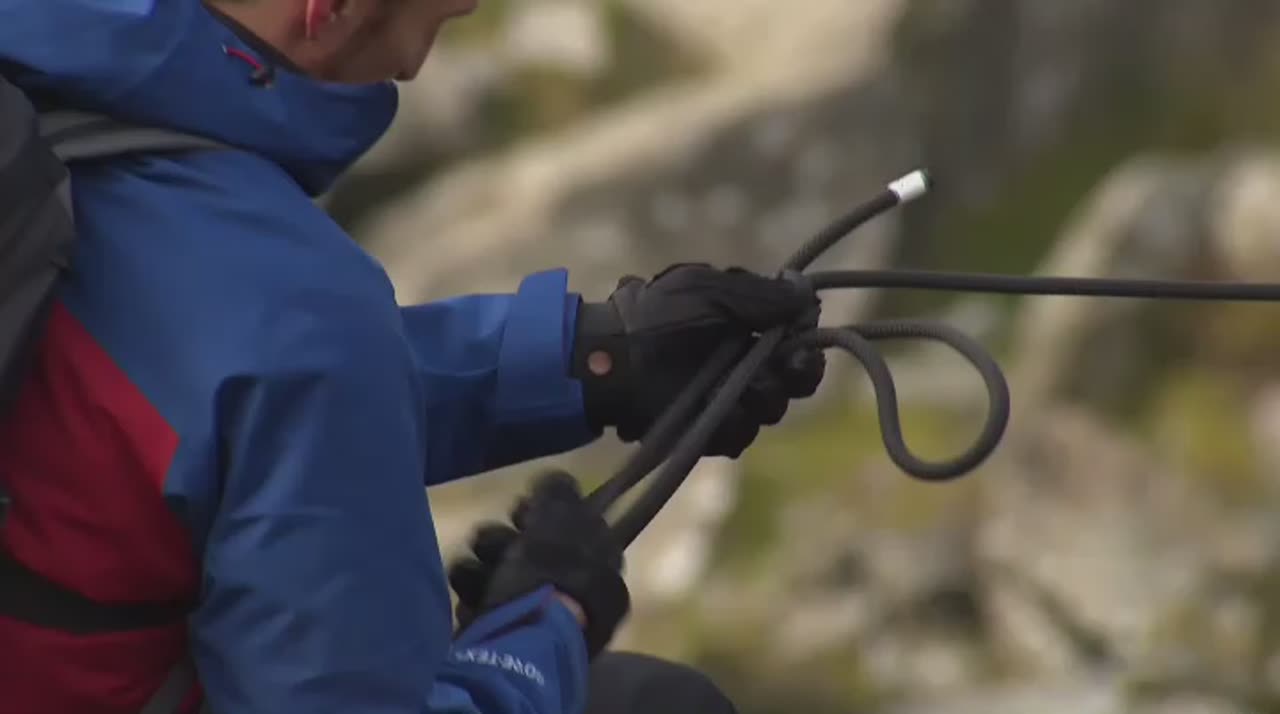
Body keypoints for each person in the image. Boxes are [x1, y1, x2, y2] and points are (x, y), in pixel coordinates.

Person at [0, 1, 825, 713]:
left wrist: (594, 360)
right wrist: (540, 630)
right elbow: (277, 370)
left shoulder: (44, 102)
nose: (428, 50)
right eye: (431, 22)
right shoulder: (294, 310)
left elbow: (199, 385)